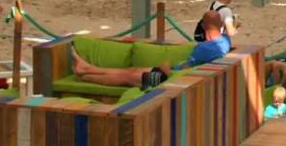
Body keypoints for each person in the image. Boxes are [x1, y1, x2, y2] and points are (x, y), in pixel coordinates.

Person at [71, 11, 231, 90]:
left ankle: (86, 77)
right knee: (132, 70)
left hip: (168, 80)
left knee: (127, 76)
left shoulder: (204, 48)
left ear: (203, 26)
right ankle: (87, 68)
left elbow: (187, 72)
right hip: (169, 73)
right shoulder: (225, 41)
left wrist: (168, 71)